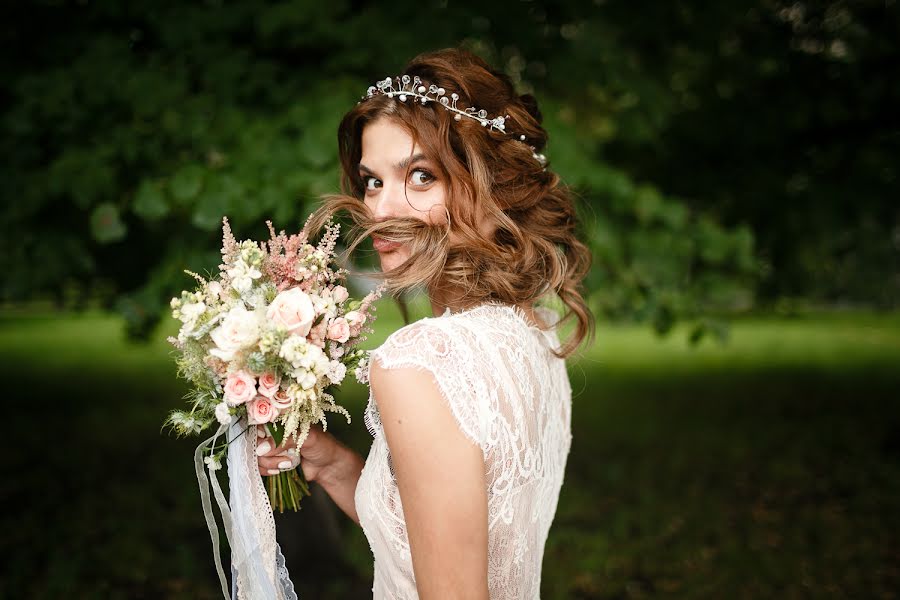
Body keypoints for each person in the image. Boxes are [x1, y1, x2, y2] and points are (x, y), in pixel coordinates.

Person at [256, 47, 593, 599]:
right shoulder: (536, 328)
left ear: (491, 188)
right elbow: (450, 544)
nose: (382, 209)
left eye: (419, 175)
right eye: (372, 181)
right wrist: (337, 467)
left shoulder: (421, 361)